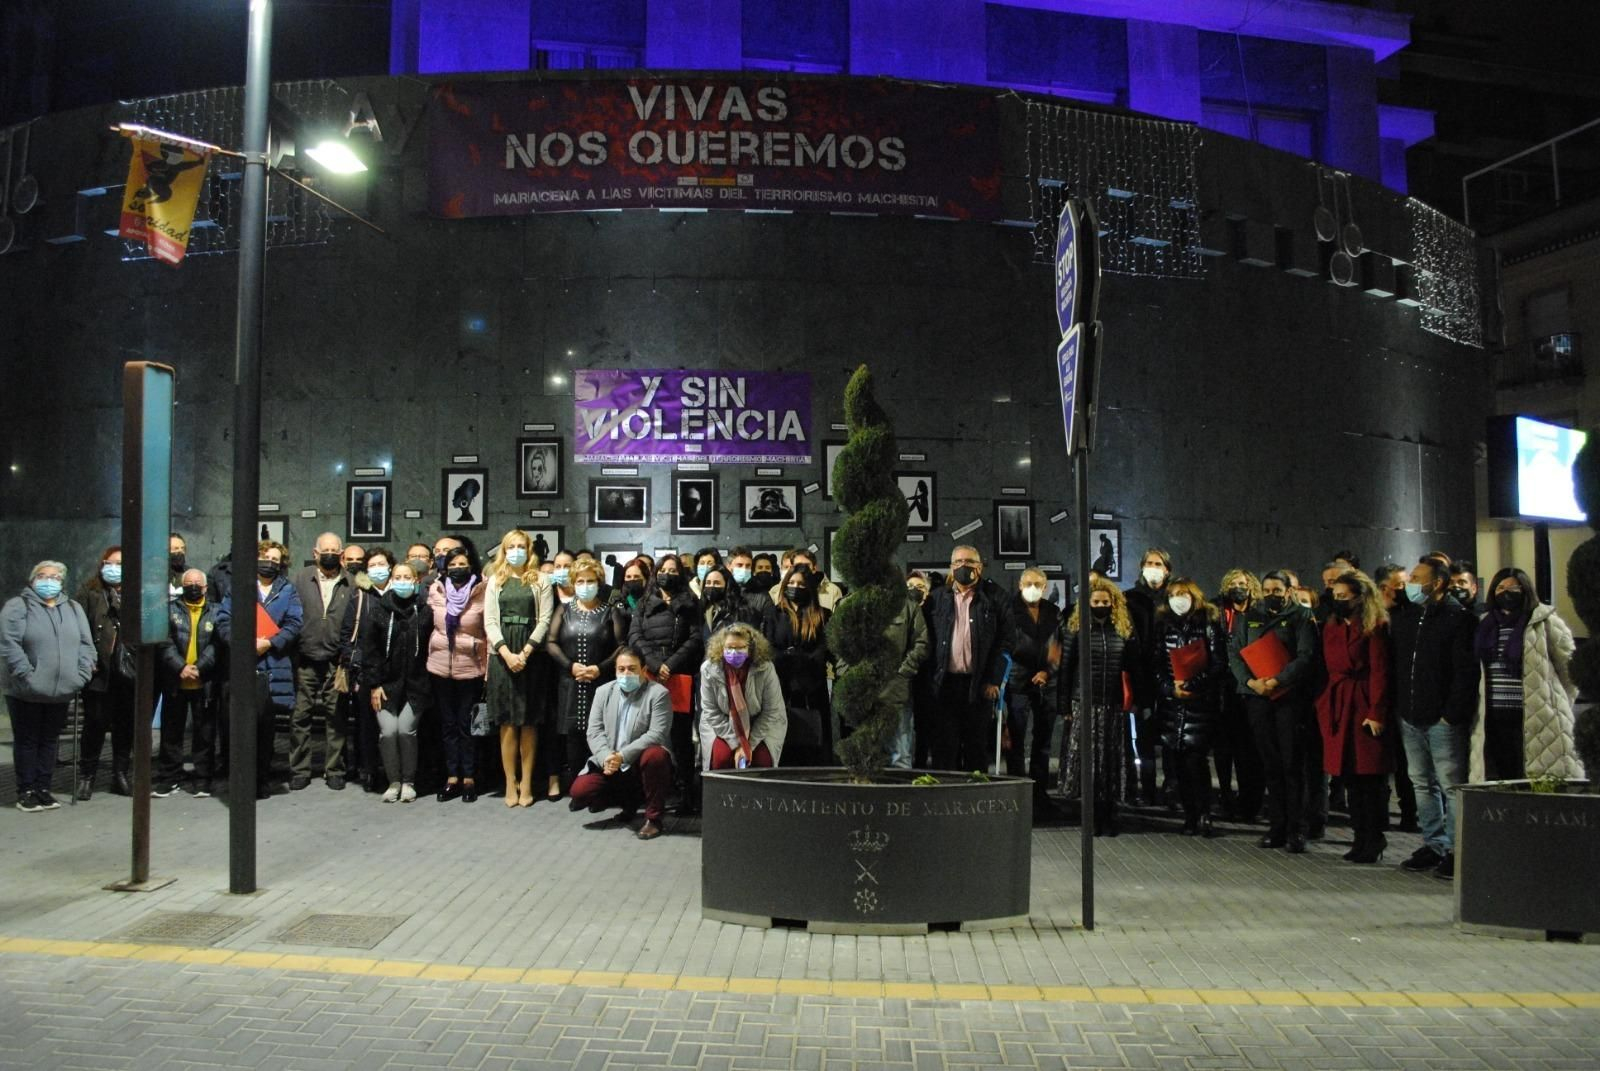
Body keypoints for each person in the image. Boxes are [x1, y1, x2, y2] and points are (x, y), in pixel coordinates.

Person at [1389, 555, 1478, 880]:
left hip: (1442, 719)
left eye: (1417, 578)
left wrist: (1450, 715)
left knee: (1450, 785)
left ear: (1437, 583)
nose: (1410, 584)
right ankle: (1434, 844)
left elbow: (1464, 673)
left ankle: (1457, 851)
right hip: (1410, 715)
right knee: (1421, 784)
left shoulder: (1458, 619)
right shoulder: (1407, 617)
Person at [1227, 570, 1318, 854]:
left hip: (1288, 699)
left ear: (1289, 591)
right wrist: (1251, 682)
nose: (1271, 595)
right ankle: (1276, 827)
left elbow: (1306, 657)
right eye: (1266, 589)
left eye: (1277, 590)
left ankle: (1296, 830)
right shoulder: (1249, 616)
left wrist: (1279, 680)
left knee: (1292, 765)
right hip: (1257, 698)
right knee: (1270, 764)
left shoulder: (1302, 617)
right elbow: (1235, 652)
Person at [1470, 568, 1582, 784]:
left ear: (1525, 590)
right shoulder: (1485, 624)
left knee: (1537, 780)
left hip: (1535, 715)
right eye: (1500, 588)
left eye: (1513, 587)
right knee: (1504, 776)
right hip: (1494, 716)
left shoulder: (1545, 621)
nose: (1506, 592)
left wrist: (1558, 703)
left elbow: (1570, 669)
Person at [2, 562, 95, 811]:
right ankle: (26, 791)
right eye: (42, 576)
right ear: (32, 580)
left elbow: (86, 645)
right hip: (26, 690)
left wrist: (81, 675)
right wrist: (26, 674)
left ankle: (44, 787)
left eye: (54, 577)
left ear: (62, 582)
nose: (48, 581)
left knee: (49, 741)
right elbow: (9, 644)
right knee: (28, 740)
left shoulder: (73, 608)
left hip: (62, 689)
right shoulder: (18, 606)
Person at [215, 540, 304, 799]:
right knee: (239, 727)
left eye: (276, 560)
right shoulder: (239, 588)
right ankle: (240, 781)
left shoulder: (288, 590)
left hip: (273, 665)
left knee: (266, 729)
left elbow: (294, 622)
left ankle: (262, 779)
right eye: (266, 557)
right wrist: (243, 644)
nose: (270, 563)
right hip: (242, 665)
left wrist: (269, 643)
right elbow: (223, 620)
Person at [1059, 576, 1146, 836]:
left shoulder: (1123, 630)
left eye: (1105, 601)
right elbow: (1065, 669)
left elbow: (1135, 668)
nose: (1100, 605)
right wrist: (1064, 706)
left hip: (1113, 705)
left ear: (1113, 603)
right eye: (1096, 601)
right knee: (1089, 763)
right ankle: (1091, 816)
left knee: (1111, 762)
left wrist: (1138, 700)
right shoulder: (1076, 629)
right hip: (1084, 705)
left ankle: (1110, 814)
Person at [1316, 571, 1392, 863]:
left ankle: (1373, 837)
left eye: (1343, 597)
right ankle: (1359, 836)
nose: (1337, 601)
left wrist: (1376, 712)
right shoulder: (1332, 625)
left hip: (1362, 703)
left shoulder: (1375, 626)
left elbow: (1380, 672)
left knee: (1368, 777)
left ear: (1360, 597)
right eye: (1335, 596)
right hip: (1337, 703)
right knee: (1348, 774)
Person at [923, 544, 1013, 771]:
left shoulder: (996, 597)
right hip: (945, 685)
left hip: (980, 684)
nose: (964, 566)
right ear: (951, 567)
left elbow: (1007, 640)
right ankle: (945, 799)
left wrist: (994, 679)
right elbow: (927, 641)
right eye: (958, 562)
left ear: (980, 567)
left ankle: (975, 800)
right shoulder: (936, 599)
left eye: (970, 562)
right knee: (945, 748)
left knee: (976, 747)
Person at [569, 647, 674, 840]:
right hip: (610, 761)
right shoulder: (603, 692)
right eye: (621, 669)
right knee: (580, 792)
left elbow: (657, 734)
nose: (626, 674)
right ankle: (629, 802)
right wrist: (606, 756)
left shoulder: (658, 694)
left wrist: (622, 756)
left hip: (638, 760)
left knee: (656, 755)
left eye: (632, 669)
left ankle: (654, 819)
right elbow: (594, 731)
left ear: (644, 670)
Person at [483, 529, 554, 808]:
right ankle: (509, 782)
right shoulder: (495, 581)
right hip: (502, 655)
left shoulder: (541, 580)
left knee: (528, 721)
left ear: (529, 549)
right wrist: (506, 652)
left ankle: (526, 782)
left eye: (520, 546)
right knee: (507, 722)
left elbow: (545, 619)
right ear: (504, 550)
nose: (516, 551)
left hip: (531, 654)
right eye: (510, 546)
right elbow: (489, 621)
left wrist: (524, 652)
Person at [1153, 577, 1227, 836]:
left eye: (1183, 593)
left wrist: (1193, 684)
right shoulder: (1162, 626)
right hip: (1172, 705)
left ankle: (1205, 813)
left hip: (1200, 703)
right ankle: (1189, 815)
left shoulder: (1209, 624)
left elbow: (1218, 663)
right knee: (1177, 763)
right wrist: (1169, 687)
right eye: (1173, 594)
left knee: (1197, 761)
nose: (1178, 599)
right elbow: (1157, 665)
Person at [546, 559, 629, 792]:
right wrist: (570, 666)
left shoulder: (610, 611)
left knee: (602, 735)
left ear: (598, 582)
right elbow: (551, 643)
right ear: (573, 583)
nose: (585, 585)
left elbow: (622, 645)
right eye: (580, 581)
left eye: (590, 581)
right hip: (570, 683)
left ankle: (601, 789)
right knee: (573, 737)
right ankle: (577, 788)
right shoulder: (563, 610)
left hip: (601, 683)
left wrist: (600, 668)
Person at [628, 554, 702, 803]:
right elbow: (635, 636)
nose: (666, 574)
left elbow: (694, 639)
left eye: (672, 570)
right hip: (649, 673)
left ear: (680, 574)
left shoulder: (690, 602)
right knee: (647, 731)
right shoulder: (644, 602)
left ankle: (685, 792)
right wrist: (654, 663)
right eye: (662, 569)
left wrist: (669, 664)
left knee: (681, 736)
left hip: (678, 674)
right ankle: (648, 790)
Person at [285, 532, 357, 790]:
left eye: (334, 550)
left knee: (336, 717)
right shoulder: (300, 579)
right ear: (315, 553)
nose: (329, 554)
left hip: (337, 663)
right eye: (324, 550)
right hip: (305, 659)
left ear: (341, 553)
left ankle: (335, 770)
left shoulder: (351, 582)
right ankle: (300, 770)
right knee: (300, 716)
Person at [356, 560, 431, 802]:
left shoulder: (425, 610)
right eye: (397, 577)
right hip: (385, 686)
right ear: (391, 580)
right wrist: (375, 685)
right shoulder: (378, 611)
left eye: (406, 577)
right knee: (388, 732)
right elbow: (370, 651)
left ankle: (408, 782)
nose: (402, 582)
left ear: (416, 580)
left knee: (405, 730)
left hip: (416, 686)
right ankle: (394, 781)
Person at [426, 543, 489, 802]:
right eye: (452, 565)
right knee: (448, 725)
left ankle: (470, 779)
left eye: (462, 564)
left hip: (471, 668)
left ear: (471, 565)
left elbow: (487, 632)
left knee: (467, 726)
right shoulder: (437, 589)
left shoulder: (483, 591)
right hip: (440, 668)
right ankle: (452, 778)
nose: (457, 569)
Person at [154, 568, 221, 797]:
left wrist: (200, 667)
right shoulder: (169, 610)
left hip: (205, 681)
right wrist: (180, 667)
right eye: (188, 582)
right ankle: (169, 778)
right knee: (171, 732)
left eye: (197, 583)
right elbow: (164, 641)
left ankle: (202, 779)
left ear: (205, 587)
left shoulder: (216, 611)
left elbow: (218, 643)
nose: (193, 586)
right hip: (175, 680)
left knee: (204, 733)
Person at [76, 546, 135, 797]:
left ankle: (120, 774)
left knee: (125, 725)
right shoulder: (90, 592)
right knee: (95, 723)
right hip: (98, 671)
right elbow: (79, 627)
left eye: (122, 564)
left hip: (129, 671)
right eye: (111, 563)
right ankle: (87, 776)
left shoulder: (136, 593)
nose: (115, 568)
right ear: (102, 564)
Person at [339, 546, 393, 793]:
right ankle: (369, 771)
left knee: (393, 726)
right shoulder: (359, 597)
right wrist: (355, 663)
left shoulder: (400, 593)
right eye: (373, 565)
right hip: (367, 672)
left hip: (394, 672)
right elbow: (347, 634)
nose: (378, 569)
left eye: (382, 564)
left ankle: (393, 770)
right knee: (367, 725)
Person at [764, 564, 831, 764]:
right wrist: (787, 658)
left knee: (813, 740)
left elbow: (823, 648)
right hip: (781, 685)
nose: (795, 587)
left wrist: (803, 661)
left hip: (812, 686)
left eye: (801, 583)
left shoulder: (822, 614)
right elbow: (768, 646)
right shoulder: (773, 613)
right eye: (791, 583)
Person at [1006, 569, 1061, 810]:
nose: (1033, 587)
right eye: (1028, 583)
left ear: (1046, 586)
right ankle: (1017, 791)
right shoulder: (1008, 610)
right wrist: (1035, 664)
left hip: (1046, 684)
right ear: (1019, 584)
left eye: (1038, 584)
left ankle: (1040, 793)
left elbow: (1059, 647)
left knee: (1043, 741)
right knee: (1016, 740)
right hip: (1018, 682)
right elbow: (1008, 644)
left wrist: (1047, 671)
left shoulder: (1053, 611)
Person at [1211, 569, 1263, 822]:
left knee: (1248, 748)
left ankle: (1249, 799)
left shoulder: (1259, 612)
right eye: (1233, 583)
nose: (1238, 587)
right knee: (1223, 746)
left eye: (1242, 583)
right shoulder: (1217, 610)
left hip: (1253, 683)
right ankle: (1224, 795)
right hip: (1224, 685)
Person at [1122, 547, 1172, 808]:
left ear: (1167, 570)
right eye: (1149, 563)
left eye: (1159, 563)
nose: (1154, 567)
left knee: (1171, 738)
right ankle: (1144, 789)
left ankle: (1171, 789)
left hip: (1171, 676)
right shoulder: (1129, 599)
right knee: (1140, 737)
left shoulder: (1176, 596)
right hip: (1140, 677)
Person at [700, 622, 786, 769]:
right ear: (722, 647)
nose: (734, 652)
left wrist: (748, 746)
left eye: (740, 648)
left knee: (761, 762)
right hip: (723, 723)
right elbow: (710, 711)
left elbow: (771, 712)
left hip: (760, 724)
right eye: (730, 648)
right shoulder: (709, 669)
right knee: (721, 760)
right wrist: (736, 744)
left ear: (750, 648)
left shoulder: (765, 668)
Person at [725, 547, 773, 621]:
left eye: (748, 566)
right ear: (728, 566)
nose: (744, 569)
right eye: (739, 565)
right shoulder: (722, 591)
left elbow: (769, 626)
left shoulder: (762, 596)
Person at [168, 532, 189, 598]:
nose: (180, 551)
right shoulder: (157, 573)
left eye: (182, 548)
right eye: (176, 548)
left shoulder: (189, 573)